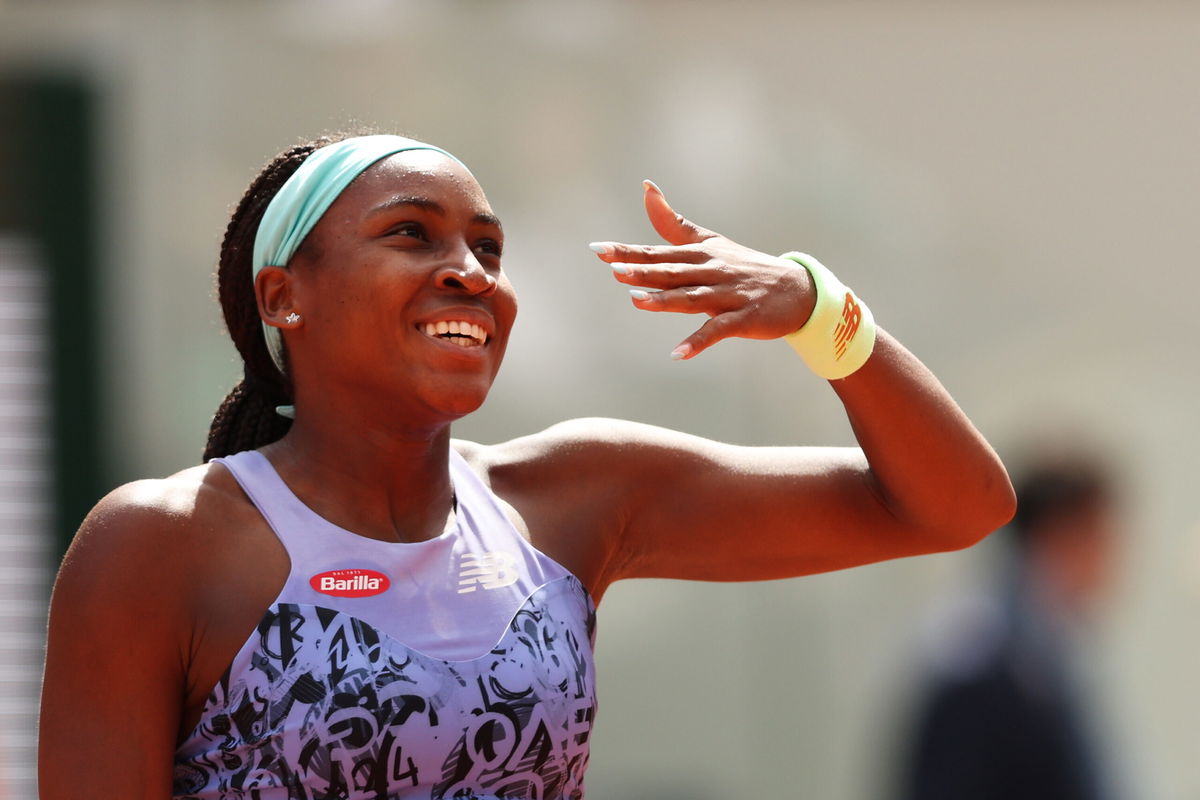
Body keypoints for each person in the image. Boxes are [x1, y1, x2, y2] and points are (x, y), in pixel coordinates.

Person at [38, 133, 1015, 800]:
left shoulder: (577, 497)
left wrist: (815, 306)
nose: (470, 269)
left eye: (489, 246)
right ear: (284, 295)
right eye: (411, 232)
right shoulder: (159, 542)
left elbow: (956, 503)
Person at [892, 453, 1121, 800]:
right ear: (1062, 531)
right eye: (1101, 534)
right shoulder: (979, 664)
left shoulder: (1046, 651)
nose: (1112, 558)